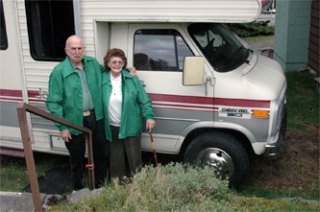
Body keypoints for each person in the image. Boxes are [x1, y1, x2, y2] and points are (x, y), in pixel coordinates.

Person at [46, 35, 135, 190]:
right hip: (74, 121)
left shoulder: (92, 63)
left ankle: (100, 186)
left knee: (101, 153)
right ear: (67, 51)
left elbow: (109, 72)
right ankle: (78, 188)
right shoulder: (59, 72)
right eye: (73, 48)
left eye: (80, 48)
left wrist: (126, 71)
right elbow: (53, 103)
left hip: (97, 117)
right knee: (77, 157)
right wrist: (62, 127)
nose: (77, 52)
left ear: (84, 49)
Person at [102, 48, 156, 181]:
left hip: (131, 125)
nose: (117, 64)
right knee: (115, 161)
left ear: (124, 64)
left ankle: (137, 186)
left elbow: (144, 100)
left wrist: (149, 117)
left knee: (134, 159)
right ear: (108, 63)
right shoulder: (101, 79)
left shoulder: (132, 79)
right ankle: (117, 187)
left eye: (120, 62)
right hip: (111, 127)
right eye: (113, 62)